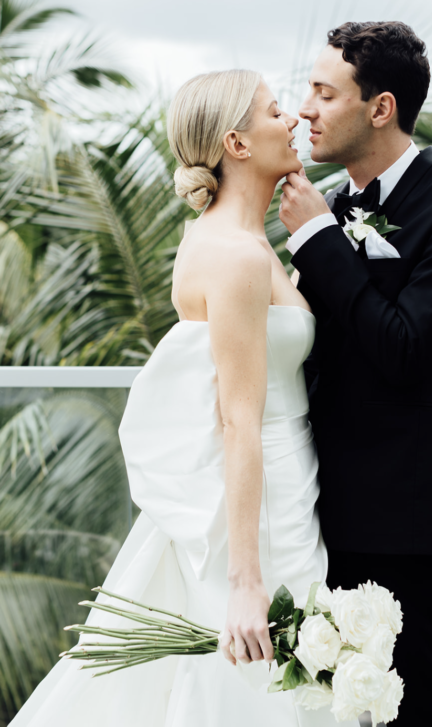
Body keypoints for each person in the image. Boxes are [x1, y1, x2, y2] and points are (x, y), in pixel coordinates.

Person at [12, 71, 337, 725]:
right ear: (237, 143)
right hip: (265, 505)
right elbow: (237, 418)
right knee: (271, 686)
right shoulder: (237, 256)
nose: (294, 120)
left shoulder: (235, 241)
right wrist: (247, 582)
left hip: (283, 483)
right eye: (277, 111)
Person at [277, 21, 432, 726]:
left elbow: (404, 349)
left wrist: (317, 241)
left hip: (406, 516)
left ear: (380, 107)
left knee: (423, 702)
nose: (305, 109)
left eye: (323, 92)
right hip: (315, 508)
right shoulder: (332, 203)